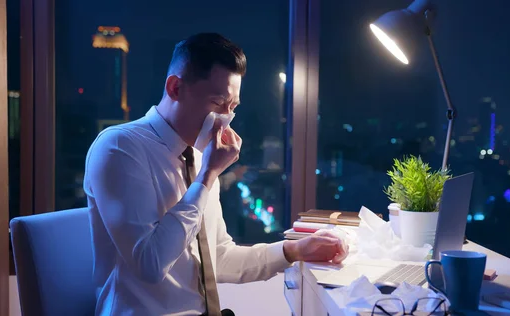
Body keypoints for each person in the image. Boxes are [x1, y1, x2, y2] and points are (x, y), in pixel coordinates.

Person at [83, 33, 348, 316]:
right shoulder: (121, 147)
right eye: (218, 103)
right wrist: (207, 177)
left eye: (232, 107)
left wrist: (295, 250)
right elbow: (150, 264)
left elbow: (219, 258)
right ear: (175, 88)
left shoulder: (198, 156)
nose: (225, 118)